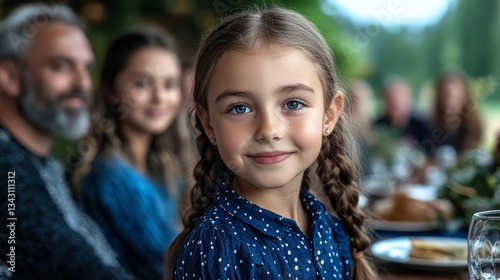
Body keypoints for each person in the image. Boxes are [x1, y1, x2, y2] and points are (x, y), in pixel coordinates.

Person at [166, 7, 376, 280]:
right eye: (239, 108)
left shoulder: (328, 226)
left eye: (293, 103)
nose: (268, 130)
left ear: (330, 115)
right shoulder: (216, 247)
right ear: (209, 125)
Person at [0, 3, 135, 279]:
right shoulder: (6, 166)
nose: (83, 84)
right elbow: (74, 267)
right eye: (61, 66)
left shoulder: (46, 165)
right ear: (9, 77)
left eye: (85, 68)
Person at [71, 28, 193, 280]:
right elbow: (172, 264)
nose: (159, 97)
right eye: (142, 83)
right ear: (111, 91)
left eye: (170, 84)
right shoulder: (110, 173)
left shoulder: (163, 167)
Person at [374, 76, 433, 155]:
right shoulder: (377, 127)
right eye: (391, 102)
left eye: (398, 102)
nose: (395, 106)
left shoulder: (422, 126)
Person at [431, 69, 483, 155]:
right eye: (447, 95)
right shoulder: (430, 126)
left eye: (457, 96)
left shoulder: (473, 127)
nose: (452, 102)